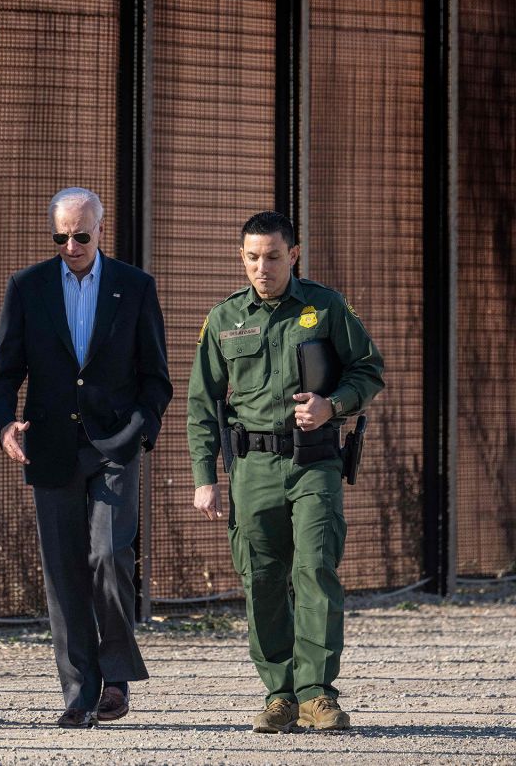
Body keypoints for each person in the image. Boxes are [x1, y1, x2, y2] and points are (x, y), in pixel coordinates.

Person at [187, 210, 384, 733]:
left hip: (314, 459)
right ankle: (280, 694)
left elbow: (369, 369)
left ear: (293, 255)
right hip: (251, 467)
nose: (262, 267)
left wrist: (333, 405)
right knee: (263, 579)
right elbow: (202, 405)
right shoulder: (224, 320)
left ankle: (318, 693)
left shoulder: (324, 307)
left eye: (273, 256)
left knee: (315, 568)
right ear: (242, 258)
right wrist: (204, 477)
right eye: (252, 257)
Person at [0, 187, 171, 729]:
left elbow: (156, 378)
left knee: (110, 556)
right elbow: (2, 377)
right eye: (61, 236)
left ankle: (114, 676)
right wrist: (4, 427)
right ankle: (79, 692)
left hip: (115, 446)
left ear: (100, 231)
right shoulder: (27, 287)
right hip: (51, 448)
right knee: (65, 573)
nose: (71, 245)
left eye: (81, 235)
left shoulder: (135, 287)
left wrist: (140, 431)